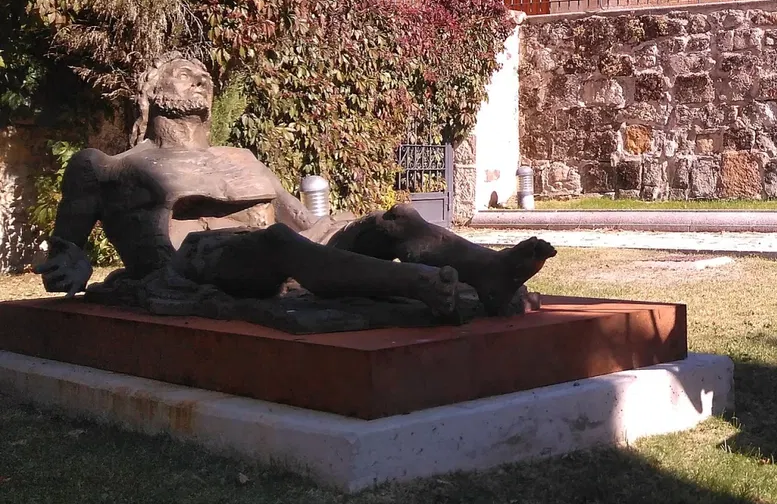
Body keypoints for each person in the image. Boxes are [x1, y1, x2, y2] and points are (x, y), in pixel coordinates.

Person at [35, 54, 553, 320]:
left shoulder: (239, 157)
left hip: (283, 248)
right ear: (151, 91)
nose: (199, 79)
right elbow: (66, 251)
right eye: (181, 73)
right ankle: (422, 287)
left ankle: (490, 272)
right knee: (276, 244)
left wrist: (358, 228)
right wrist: (71, 263)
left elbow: (304, 222)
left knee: (395, 218)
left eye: (202, 74)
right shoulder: (106, 166)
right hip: (190, 264)